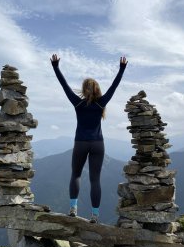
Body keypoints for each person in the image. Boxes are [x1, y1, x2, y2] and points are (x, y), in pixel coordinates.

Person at [51, 53, 128, 223]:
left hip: (80, 143)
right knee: (95, 180)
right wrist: (121, 70)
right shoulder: (101, 103)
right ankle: (94, 215)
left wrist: (56, 67)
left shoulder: (77, 103)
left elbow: (64, 86)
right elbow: (114, 87)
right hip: (98, 144)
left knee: (76, 175)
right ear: (97, 89)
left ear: (84, 89)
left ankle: (73, 208)